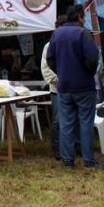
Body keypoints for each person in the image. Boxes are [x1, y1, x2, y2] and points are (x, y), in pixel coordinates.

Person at [46, 5, 101, 170]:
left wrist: (61, 72)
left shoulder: (56, 33)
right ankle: (88, 160)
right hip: (84, 86)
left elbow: (50, 59)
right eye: (83, 17)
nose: (84, 20)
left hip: (64, 86)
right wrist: (87, 73)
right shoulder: (82, 33)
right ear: (78, 16)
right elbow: (92, 58)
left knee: (66, 123)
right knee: (85, 122)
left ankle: (68, 160)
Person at [41, 15, 67, 158]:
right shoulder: (49, 46)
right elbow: (46, 69)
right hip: (57, 89)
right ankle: (56, 147)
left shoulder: (72, 43)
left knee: (71, 118)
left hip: (71, 88)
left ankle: (73, 146)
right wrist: (59, 80)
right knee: (57, 119)